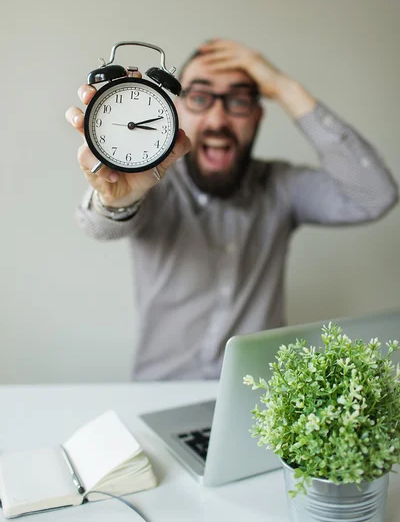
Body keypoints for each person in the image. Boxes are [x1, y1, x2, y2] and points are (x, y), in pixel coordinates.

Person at [66, 39, 398, 380]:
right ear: (174, 110)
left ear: (257, 115)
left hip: (259, 402)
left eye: (239, 100)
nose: (218, 118)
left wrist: (284, 88)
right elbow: (100, 226)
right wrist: (115, 198)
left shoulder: (281, 186)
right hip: (158, 392)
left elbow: (375, 195)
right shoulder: (155, 186)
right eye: (199, 97)